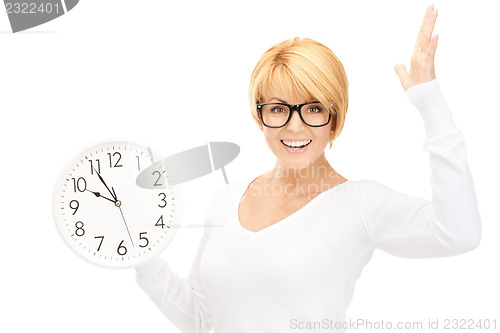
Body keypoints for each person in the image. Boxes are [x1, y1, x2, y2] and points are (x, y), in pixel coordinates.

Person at [135, 4, 481, 332]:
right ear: (260, 116)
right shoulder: (225, 198)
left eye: (314, 108)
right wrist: (140, 252)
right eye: (278, 108)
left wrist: (430, 104)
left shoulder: (361, 204)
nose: (295, 127)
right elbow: (198, 318)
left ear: (335, 117)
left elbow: (458, 233)